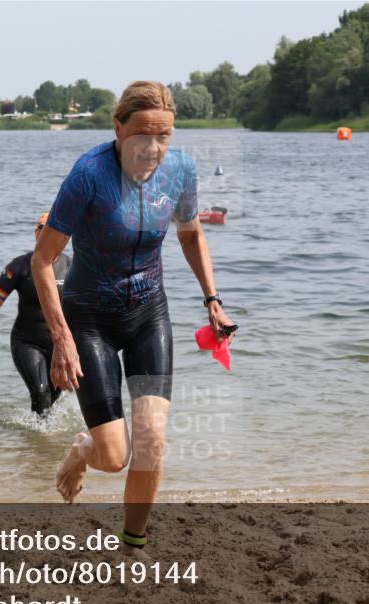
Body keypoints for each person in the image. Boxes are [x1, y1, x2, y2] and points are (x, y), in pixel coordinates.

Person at [31, 81, 235, 551]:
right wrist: (61, 339)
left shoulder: (180, 170)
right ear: (118, 128)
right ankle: (83, 450)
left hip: (148, 313)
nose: (154, 147)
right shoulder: (88, 174)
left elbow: (190, 235)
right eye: (143, 134)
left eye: (164, 136)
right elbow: (42, 262)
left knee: (153, 441)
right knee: (114, 455)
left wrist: (212, 299)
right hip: (90, 321)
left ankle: (133, 545)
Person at [0, 213, 72, 416]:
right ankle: (39, 440)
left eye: (49, 228)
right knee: (41, 393)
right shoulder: (18, 267)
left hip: (59, 345)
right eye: (40, 228)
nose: (44, 232)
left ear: (63, 236)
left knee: (52, 399)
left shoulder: (72, 267)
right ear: (36, 233)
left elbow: (87, 306)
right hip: (27, 342)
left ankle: (42, 443)